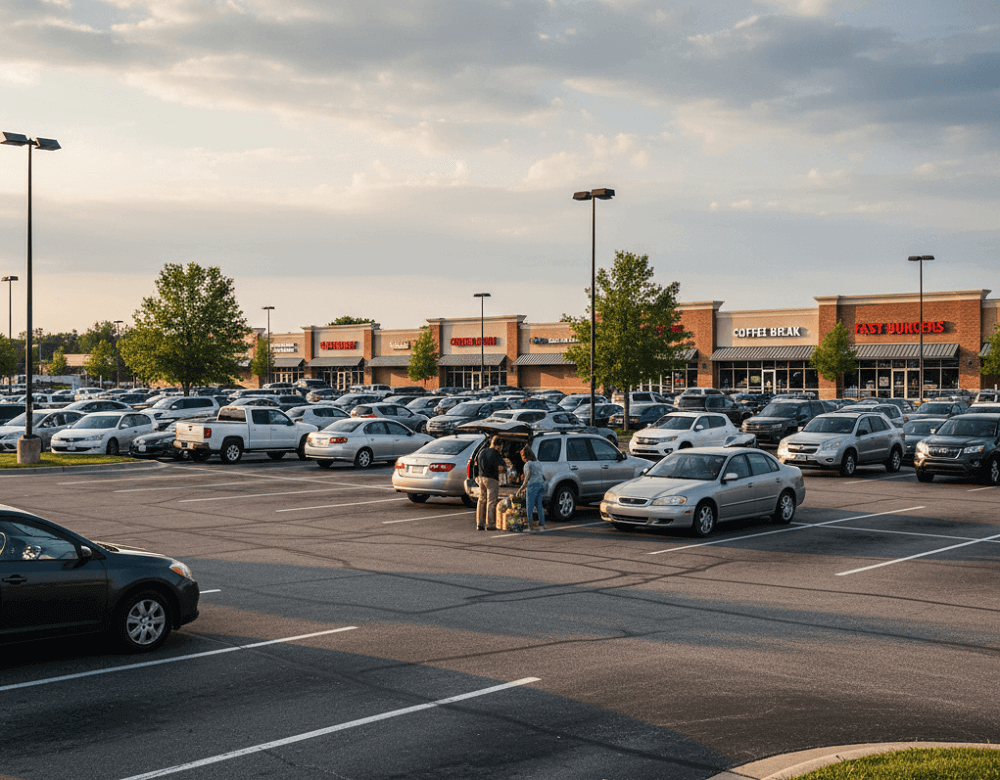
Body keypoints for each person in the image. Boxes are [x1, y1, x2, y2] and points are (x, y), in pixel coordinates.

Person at [476, 436, 506, 531]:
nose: (501, 448)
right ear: (498, 445)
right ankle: (490, 524)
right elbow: (501, 468)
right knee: (491, 502)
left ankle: (480, 523)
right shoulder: (496, 454)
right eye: (501, 446)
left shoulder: (482, 451)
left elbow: (476, 463)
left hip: (481, 478)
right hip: (492, 479)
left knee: (481, 500)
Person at [520, 445, 546, 533]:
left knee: (529, 506)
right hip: (541, 484)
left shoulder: (528, 464)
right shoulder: (538, 462)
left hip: (533, 485)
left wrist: (521, 488)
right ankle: (541, 526)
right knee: (539, 505)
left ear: (525, 456)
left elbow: (527, 477)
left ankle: (530, 527)